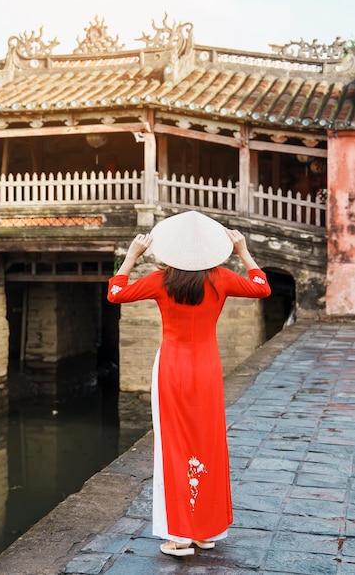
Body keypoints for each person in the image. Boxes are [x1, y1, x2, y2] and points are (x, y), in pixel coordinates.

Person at [107, 211, 271, 557]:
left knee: (174, 449)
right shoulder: (222, 278)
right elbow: (262, 287)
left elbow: (116, 293)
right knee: (208, 445)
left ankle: (180, 535)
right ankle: (205, 531)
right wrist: (242, 250)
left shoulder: (160, 280)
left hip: (172, 369)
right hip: (208, 370)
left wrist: (131, 257)